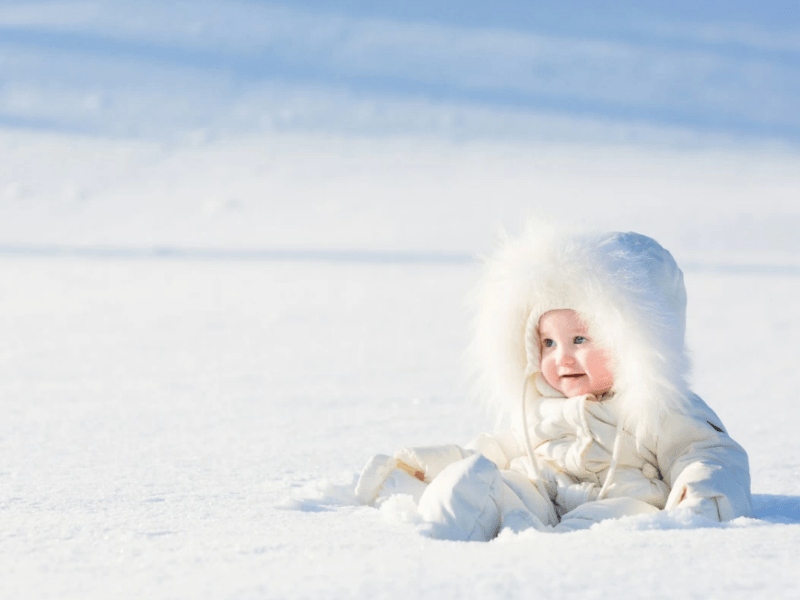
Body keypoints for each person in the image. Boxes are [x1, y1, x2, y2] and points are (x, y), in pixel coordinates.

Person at [355, 222, 752, 540]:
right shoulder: (540, 405)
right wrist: (437, 464)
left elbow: (707, 454)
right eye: (548, 343)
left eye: (580, 340)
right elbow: (499, 448)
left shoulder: (659, 406)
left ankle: (557, 557)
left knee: (613, 518)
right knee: (481, 481)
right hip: (541, 495)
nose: (561, 358)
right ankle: (443, 534)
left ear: (634, 344)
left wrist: (701, 496)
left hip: (620, 504)